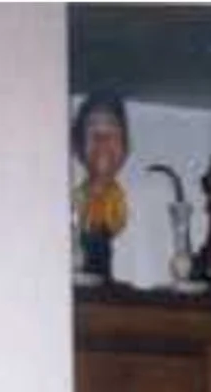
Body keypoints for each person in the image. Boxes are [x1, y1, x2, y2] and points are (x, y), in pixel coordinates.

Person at [70, 91, 130, 283]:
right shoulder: (78, 196)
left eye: (111, 131)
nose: (102, 140)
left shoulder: (116, 195)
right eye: (93, 131)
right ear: (79, 145)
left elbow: (118, 221)